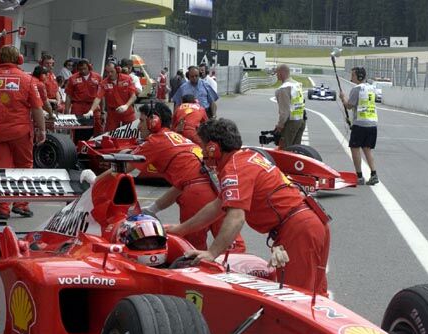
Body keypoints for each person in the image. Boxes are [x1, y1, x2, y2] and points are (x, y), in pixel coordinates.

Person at [167, 118, 330, 295]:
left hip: (298, 230)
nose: (201, 152)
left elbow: (236, 217)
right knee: (316, 295)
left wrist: (212, 253)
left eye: (203, 146)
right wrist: (180, 230)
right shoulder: (246, 158)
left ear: (213, 147)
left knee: (298, 297)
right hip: (310, 221)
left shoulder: (234, 169)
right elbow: (216, 207)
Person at [132, 102, 245, 252]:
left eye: (141, 121)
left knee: (191, 248)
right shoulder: (178, 138)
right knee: (232, 245)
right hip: (214, 186)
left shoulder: (155, 141)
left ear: (154, 121)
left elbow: (121, 168)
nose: (139, 126)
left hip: (196, 192)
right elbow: (180, 185)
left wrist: (95, 181)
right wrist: (153, 208)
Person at [0, 45, 46, 220]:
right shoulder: (27, 79)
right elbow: (37, 108)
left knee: (1, 170)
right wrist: (42, 129)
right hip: (20, 132)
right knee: (24, 168)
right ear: (19, 59)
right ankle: (20, 204)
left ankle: (3, 208)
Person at [340, 66, 379, 186]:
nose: (351, 77)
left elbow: (349, 105)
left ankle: (359, 176)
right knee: (367, 148)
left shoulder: (356, 89)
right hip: (372, 123)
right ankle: (373, 174)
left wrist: (343, 98)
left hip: (360, 123)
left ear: (359, 76)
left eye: (353, 75)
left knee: (355, 148)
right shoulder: (372, 88)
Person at [87, 61, 137, 132]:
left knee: (130, 134)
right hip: (113, 114)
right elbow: (98, 98)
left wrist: (126, 106)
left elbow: (133, 96)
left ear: (117, 70)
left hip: (127, 111)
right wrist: (91, 110)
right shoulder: (104, 83)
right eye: (107, 72)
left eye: (111, 71)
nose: (109, 74)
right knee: (110, 135)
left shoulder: (127, 79)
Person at [66, 59, 103, 135]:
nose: (82, 71)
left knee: (97, 128)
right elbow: (68, 95)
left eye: (84, 68)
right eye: (80, 69)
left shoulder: (98, 77)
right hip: (78, 106)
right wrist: (67, 111)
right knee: (77, 130)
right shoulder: (72, 78)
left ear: (89, 67)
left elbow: (101, 95)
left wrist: (102, 111)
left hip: (93, 105)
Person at [274, 64, 305, 148]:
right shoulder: (297, 84)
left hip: (291, 123)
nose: (276, 75)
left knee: (285, 150)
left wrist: (280, 125)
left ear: (281, 73)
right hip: (300, 120)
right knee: (295, 150)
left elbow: (284, 111)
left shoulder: (283, 88)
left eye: (277, 73)